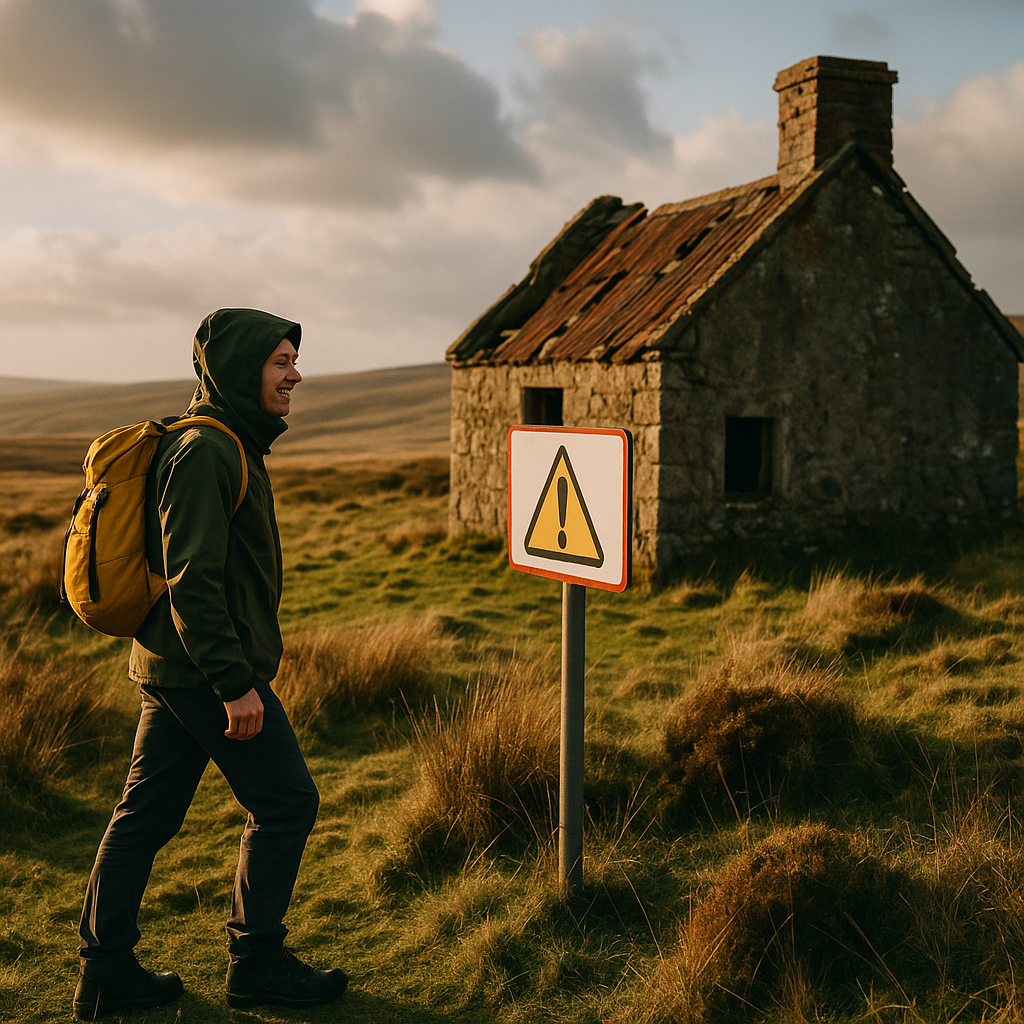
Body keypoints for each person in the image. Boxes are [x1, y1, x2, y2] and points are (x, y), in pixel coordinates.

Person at [74, 308, 347, 1020]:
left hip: (173, 668)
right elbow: (194, 579)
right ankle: (256, 963)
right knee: (287, 803)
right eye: (279, 361)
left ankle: (106, 972)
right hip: (203, 673)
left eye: (294, 360)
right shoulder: (208, 452)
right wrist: (236, 685)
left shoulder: (228, 443)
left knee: (144, 816)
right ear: (237, 370)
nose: (295, 374)